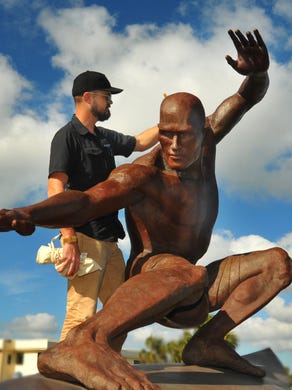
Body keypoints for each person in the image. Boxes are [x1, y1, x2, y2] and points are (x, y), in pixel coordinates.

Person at [1, 29, 291, 390]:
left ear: (202, 131)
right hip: (151, 271)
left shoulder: (208, 142)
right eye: (166, 133)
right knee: (187, 274)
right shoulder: (140, 177)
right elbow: (86, 201)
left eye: (184, 134)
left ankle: (206, 343)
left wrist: (258, 74)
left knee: (278, 262)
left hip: (193, 282)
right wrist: (26, 214)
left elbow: (246, 98)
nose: (173, 144)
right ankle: (77, 345)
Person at [48, 70, 159, 342]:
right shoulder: (66, 137)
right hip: (84, 239)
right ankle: (64, 377)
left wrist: (171, 122)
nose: (110, 102)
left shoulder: (104, 137)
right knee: (81, 315)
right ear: (87, 97)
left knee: (120, 315)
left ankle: (107, 369)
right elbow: (55, 189)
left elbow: (141, 142)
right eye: (106, 96)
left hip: (110, 241)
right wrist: (69, 239)